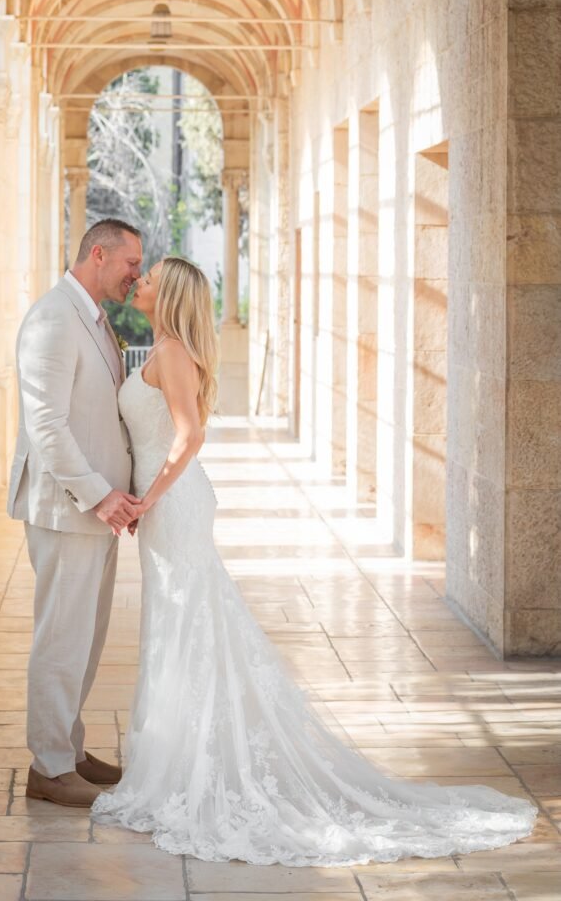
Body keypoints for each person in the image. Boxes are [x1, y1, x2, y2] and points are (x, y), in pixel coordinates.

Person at [91, 255, 537, 865]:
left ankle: (193, 766)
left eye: (149, 277)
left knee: (186, 620)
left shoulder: (169, 353)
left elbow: (189, 435)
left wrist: (149, 497)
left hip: (174, 504)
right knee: (184, 622)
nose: (138, 281)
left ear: (167, 293)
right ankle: (184, 752)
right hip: (171, 506)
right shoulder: (164, 346)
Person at [7, 218, 143, 807]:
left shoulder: (92, 317)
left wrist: (124, 490)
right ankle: (49, 767)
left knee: (85, 640)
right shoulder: (52, 319)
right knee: (61, 639)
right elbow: (47, 427)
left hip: (99, 513)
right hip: (69, 510)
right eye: (131, 262)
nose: (137, 274)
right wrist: (98, 492)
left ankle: (71, 748)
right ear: (98, 253)